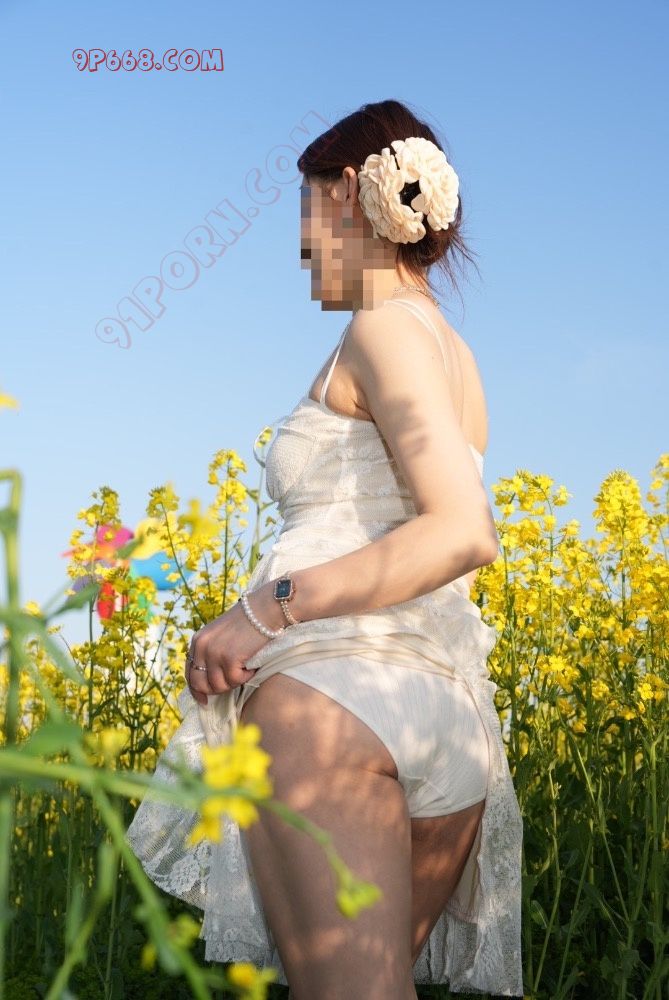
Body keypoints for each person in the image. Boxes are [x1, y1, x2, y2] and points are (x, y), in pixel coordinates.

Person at [125, 98, 524, 999]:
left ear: (348, 192)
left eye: (306, 216)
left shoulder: (382, 328)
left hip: (334, 700)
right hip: (445, 721)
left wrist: (266, 609)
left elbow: (462, 530)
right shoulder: (453, 352)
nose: (303, 252)